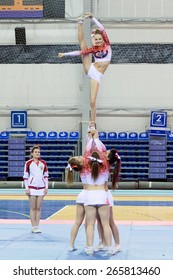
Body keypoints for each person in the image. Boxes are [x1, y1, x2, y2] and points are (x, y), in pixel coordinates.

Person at [58, 12, 112, 126]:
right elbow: (80, 52)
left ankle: (93, 122)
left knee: (92, 101)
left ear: (103, 39)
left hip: (97, 76)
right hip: (90, 68)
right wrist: (65, 54)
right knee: (83, 46)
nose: (98, 41)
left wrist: (93, 18)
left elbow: (102, 29)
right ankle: (80, 22)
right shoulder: (93, 49)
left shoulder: (107, 44)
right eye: (96, 39)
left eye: (99, 39)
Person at [23, 145, 48, 233]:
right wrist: (27, 188)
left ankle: (37, 226)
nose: (38, 153)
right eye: (36, 152)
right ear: (32, 153)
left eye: (38, 152)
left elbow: (46, 176)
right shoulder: (28, 163)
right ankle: (33, 226)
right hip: (32, 188)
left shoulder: (43, 163)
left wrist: (46, 187)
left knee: (38, 208)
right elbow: (25, 176)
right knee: (33, 208)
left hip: (41, 188)